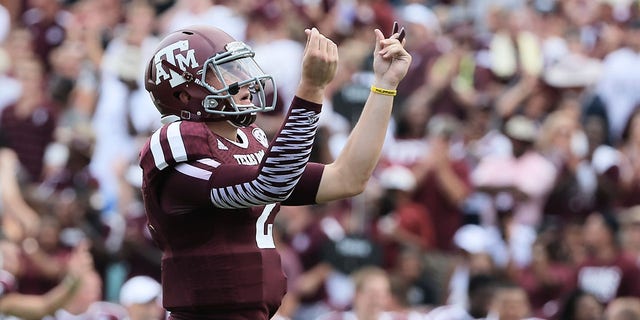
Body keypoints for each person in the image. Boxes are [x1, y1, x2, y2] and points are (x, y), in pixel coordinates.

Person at [138, 21, 411, 320]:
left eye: (239, 68)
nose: (244, 81)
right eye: (224, 73)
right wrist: (311, 89)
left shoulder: (247, 141)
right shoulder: (175, 141)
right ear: (184, 95)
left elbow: (348, 178)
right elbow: (268, 184)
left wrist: (384, 86)